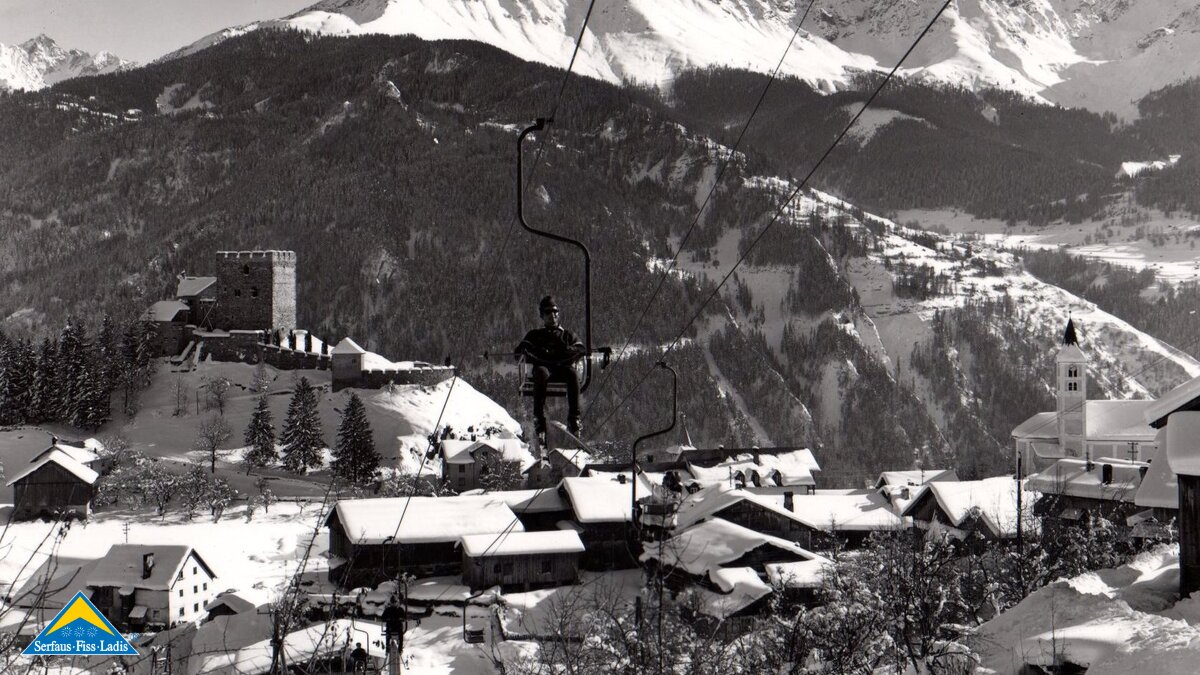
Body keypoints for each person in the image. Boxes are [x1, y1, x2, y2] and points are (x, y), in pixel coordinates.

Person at [515, 296, 586, 442]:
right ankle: (539, 419)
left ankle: (574, 419)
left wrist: (567, 351)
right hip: (543, 370)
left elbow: (581, 349)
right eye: (548, 312)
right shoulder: (535, 335)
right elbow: (519, 352)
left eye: (555, 312)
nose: (552, 315)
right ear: (542, 316)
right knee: (541, 372)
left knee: (572, 373)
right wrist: (532, 352)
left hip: (562, 370)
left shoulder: (567, 335)